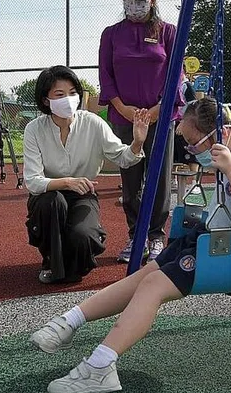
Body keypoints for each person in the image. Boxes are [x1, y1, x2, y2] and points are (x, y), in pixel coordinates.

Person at [29, 98, 231, 393]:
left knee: (153, 286)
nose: (193, 151)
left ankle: (100, 367)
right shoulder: (229, 151)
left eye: (195, 142)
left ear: (220, 133)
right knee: (142, 277)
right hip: (204, 239)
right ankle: (68, 323)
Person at [23, 65, 150, 285]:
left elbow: (122, 156)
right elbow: (33, 182)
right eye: (60, 94)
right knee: (52, 203)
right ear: (46, 100)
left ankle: (72, 260)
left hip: (84, 194)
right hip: (49, 195)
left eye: (73, 93)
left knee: (83, 237)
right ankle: (51, 260)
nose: (69, 99)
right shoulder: (34, 129)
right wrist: (67, 182)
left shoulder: (92, 123)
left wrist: (137, 142)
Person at [98, 0, 186, 265]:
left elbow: (177, 75)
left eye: (141, 0)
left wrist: (156, 111)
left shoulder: (169, 32)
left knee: (159, 177)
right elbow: (105, 76)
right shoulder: (111, 34)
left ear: (153, 1)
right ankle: (135, 234)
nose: (135, 5)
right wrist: (123, 109)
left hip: (160, 117)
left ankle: (157, 236)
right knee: (130, 176)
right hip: (125, 117)